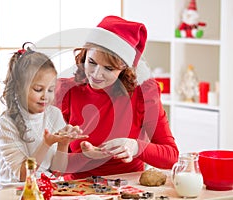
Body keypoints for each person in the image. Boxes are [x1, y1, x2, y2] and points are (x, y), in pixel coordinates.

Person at [54, 16, 179, 180]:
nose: (96, 74)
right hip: (78, 189)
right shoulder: (65, 91)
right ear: (84, 56)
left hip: (129, 187)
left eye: (109, 68)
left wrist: (136, 147)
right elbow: (54, 168)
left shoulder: (143, 95)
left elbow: (172, 157)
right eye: (92, 62)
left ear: (124, 69)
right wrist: (86, 158)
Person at [0, 42, 86, 189]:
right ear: (18, 88)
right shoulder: (5, 122)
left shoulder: (53, 114)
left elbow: (57, 171)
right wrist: (46, 143)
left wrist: (63, 143)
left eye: (50, 90)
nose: (45, 97)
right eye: (38, 89)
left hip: (48, 188)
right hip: (15, 192)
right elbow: (23, 175)